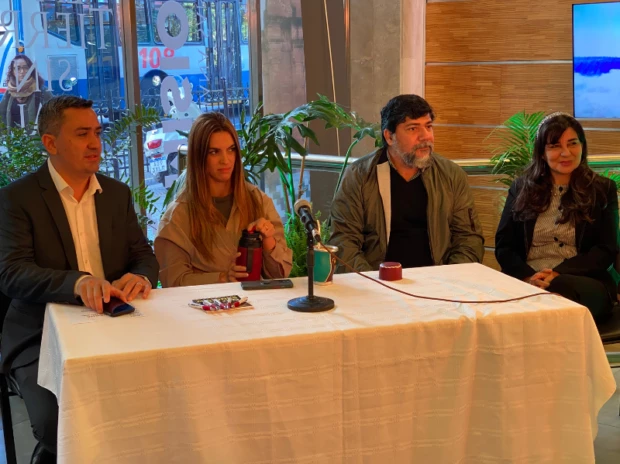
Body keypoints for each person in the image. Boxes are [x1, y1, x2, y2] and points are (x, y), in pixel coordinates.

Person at [0, 95, 159, 462]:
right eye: (82, 134)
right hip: (40, 334)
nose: (95, 144)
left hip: (114, 325)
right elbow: (12, 273)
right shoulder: (17, 199)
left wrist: (141, 276)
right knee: (61, 423)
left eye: (98, 133)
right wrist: (77, 283)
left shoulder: (116, 194)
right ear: (51, 143)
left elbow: (144, 256)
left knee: (156, 398)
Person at [329, 94, 484, 272]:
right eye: (413, 128)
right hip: (377, 279)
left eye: (428, 126)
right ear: (389, 136)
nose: (425, 136)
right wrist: (372, 282)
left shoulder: (451, 175)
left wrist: (448, 278)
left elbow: (468, 238)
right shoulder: (360, 175)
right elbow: (344, 240)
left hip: (438, 279)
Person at [495, 112, 618, 322]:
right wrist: (529, 277)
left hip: (583, 280)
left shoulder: (602, 190)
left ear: (582, 146)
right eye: (555, 146)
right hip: (528, 279)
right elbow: (504, 247)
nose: (565, 153)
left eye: (572, 144)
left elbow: (606, 249)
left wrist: (557, 274)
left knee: (560, 290)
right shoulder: (521, 188)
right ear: (542, 153)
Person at [155, 112, 292, 287]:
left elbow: (281, 274)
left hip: (256, 302)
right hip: (203, 304)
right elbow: (173, 283)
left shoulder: (258, 201)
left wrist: (268, 241)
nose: (225, 160)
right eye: (214, 152)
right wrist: (222, 278)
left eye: (231, 149)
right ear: (199, 157)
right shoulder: (177, 217)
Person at [0, 54, 53, 129]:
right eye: (18, 68)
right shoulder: (9, 92)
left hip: (37, 136)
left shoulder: (42, 91)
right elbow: (1, 115)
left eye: (25, 68)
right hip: (14, 136)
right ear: (13, 72)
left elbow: (53, 114)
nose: (22, 71)